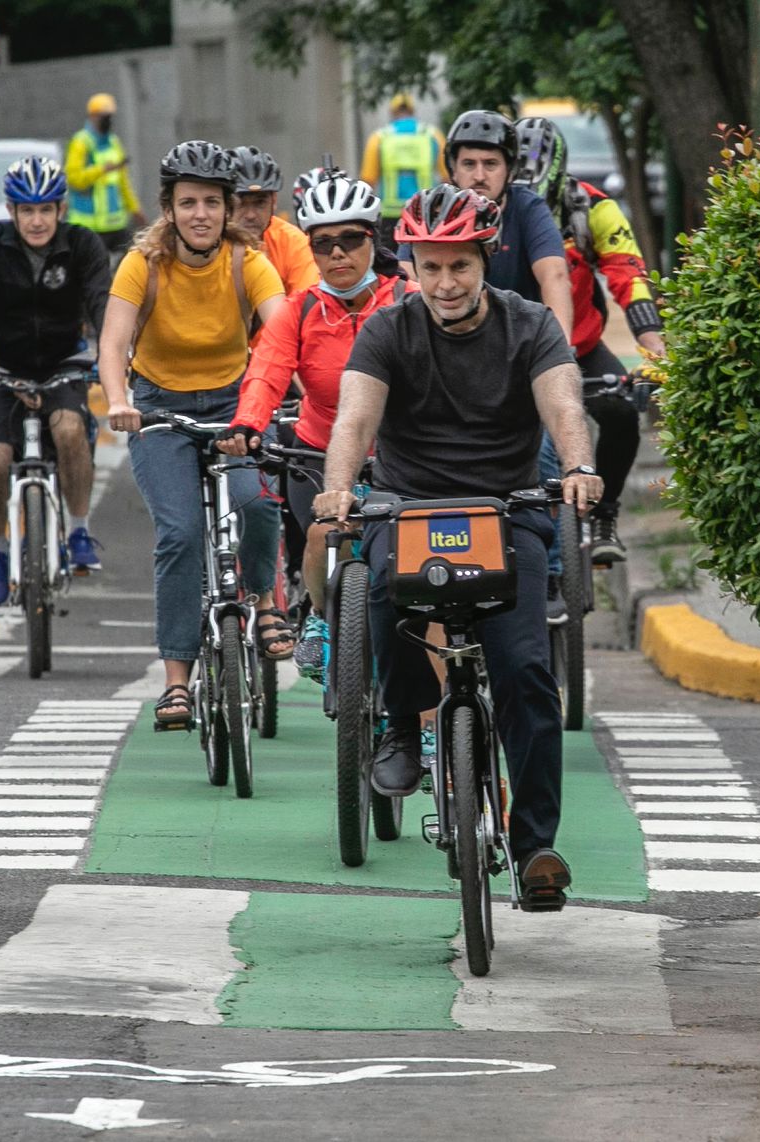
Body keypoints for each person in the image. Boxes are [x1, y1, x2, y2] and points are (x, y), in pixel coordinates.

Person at [313, 185, 603, 910]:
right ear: (410, 265)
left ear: (484, 260)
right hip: (409, 509)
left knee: (529, 673)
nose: (445, 284)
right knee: (381, 589)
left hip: (507, 512)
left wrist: (576, 468)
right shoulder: (386, 330)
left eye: (460, 267)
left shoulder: (531, 325)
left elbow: (565, 404)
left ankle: (536, 845)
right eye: (430, 266)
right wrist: (341, 488)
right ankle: (404, 727)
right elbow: (353, 418)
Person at [99, 140, 288, 728]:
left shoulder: (247, 261)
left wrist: (282, 400)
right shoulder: (144, 264)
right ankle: (177, 681)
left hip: (235, 404)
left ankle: (261, 599)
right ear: (168, 209)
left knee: (258, 504)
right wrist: (117, 401)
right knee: (180, 532)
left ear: (228, 209)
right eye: (188, 203)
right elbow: (112, 341)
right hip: (158, 408)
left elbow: (283, 332)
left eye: (211, 202)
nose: (200, 214)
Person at [217, 174, 416, 676]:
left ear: (374, 239)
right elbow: (266, 371)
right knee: (323, 535)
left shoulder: (409, 302)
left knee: (410, 578)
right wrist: (248, 423)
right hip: (317, 453)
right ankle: (321, 621)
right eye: (323, 244)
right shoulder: (301, 308)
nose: (337, 254)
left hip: (402, 457)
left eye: (350, 240)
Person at [399, 108, 574, 616]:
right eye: (469, 162)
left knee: (543, 452)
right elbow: (411, 289)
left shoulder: (529, 208)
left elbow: (554, 279)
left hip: (521, 361)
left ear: (510, 169)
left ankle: (551, 574)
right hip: (443, 361)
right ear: (451, 167)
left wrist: (555, 357)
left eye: (491, 163)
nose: (479, 173)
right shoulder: (428, 210)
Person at [0, 156, 110, 601]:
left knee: (71, 429)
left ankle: (78, 531)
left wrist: (109, 356)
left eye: (45, 210)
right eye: (26, 210)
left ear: (61, 209)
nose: (36, 221)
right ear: (11, 210)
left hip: (65, 362)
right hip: (2, 366)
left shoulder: (83, 245)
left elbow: (101, 303)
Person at [514, 115, 665, 565]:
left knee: (620, 410)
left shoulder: (592, 208)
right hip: (507, 352)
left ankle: (604, 517)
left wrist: (652, 342)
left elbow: (627, 272)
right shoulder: (487, 214)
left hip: (577, 346)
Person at [359, 93, 447, 250]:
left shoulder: (379, 138)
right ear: (413, 111)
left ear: (392, 113)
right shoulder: (433, 135)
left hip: (390, 216)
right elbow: (447, 177)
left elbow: (368, 180)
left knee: (392, 266)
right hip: (425, 213)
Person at [227, 145, 318, 295]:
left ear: (274, 201)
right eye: (241, 203)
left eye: (260, 203)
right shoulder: (209, 243)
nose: (250, 215)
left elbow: (307, 302)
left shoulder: (293, 241)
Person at [65, 93, 146, 258]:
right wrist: (101, 170)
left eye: (109, 116)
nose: (107, 120)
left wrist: (135, 209)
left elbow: (123, 182)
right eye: (104, 116)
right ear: (92, 116)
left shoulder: (114, 142)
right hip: (88, 225)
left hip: (115, 224)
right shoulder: (81, 143)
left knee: (134, 259)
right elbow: (74, 179)